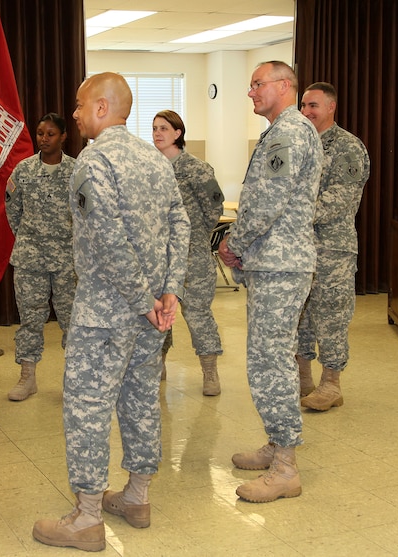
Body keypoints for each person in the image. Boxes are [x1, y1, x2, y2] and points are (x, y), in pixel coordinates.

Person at [32, 72, 190, 551]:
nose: (75, 114)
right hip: (151, 316)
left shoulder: (93, 162)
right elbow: (180, 226)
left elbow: (108, 238)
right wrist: (168, 294)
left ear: (102, 108)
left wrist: (145, 302)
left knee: (87, 408)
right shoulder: (154, 158)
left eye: (80, 106)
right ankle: (137, 498)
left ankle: (86, 518)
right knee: (141, 399)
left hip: (106, 314)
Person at [218, 61, 322, 503]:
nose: (251, 92)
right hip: (277, 262)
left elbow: (267, 201)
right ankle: (278, 444)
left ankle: (285, 468)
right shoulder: (287, 130)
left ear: (284, 86)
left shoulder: (288, 133)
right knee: (269, 356)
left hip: (280, 263)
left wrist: (233, 242)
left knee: (270, 360)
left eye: (258, 84)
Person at [296, 82, 370, 409]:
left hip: (333, 250)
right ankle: (303, 377)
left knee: (331, 315)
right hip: (298, 249)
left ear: (331, 107)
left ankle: (331, 383)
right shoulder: (299, 145)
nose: (306, 112)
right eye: (303, 106)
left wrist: (291, 212)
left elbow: (341, 198)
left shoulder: (348, 147)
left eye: (313, 105)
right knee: (299, 315)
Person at [4, 113, 76, 401]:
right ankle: (27, 378)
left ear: (63, 137)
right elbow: (13, 211)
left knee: (72, 321)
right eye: (40, 133)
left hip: (67, 260)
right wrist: (30, 238)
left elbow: (87, 214)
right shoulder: (22, 170)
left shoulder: (77, 170)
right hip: (30, 259)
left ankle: (74, 379)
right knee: (30, 319)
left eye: (51, 134)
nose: (44, 139)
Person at [153, 110, 225, 395]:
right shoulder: (151, 168)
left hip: (192, 257)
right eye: (154, 128)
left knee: (197, 314)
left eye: (163, 128)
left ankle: (209, 371)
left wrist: (192, 236)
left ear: (177, 133)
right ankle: (158, 364)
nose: (157, 133)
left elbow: (213, 210)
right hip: (160, 258)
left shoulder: (197, 168)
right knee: (160, 315)